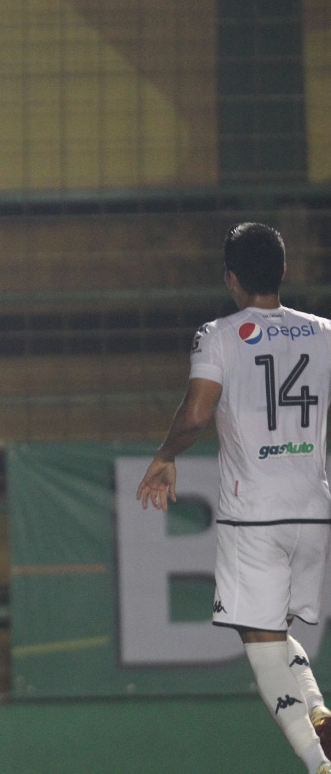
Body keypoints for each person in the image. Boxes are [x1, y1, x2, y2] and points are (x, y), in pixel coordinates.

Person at [137, 223, 331, 774]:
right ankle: (318, 713)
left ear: (232, 278)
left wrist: (165, 454)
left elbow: (197, 414)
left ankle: (318, 760)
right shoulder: (324, 331)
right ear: (284, 271)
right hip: (314, 509)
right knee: (276, 630)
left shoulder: (218, 334)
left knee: (261, 640)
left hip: (256, 513)